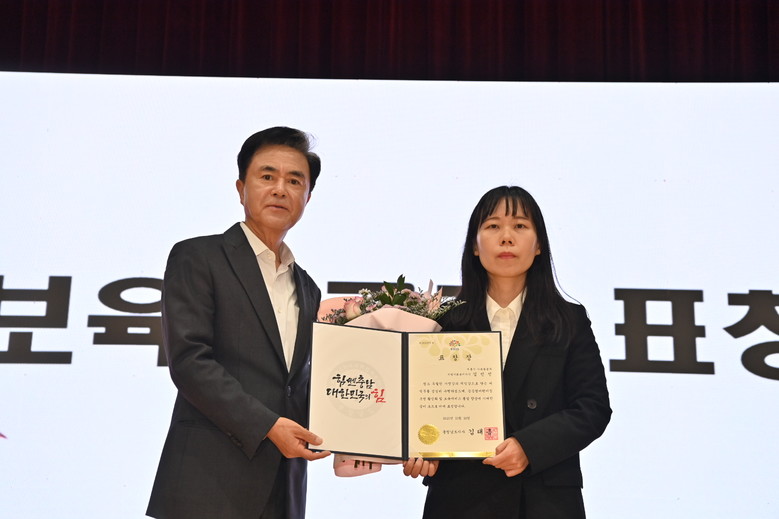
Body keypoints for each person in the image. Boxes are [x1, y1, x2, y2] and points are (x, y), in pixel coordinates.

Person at [147, 127, 330, 519]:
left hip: (283, 490)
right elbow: (190, 361)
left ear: (308, 197)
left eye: (294, 181)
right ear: (241, 188)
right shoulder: (199, 257)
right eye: (267, 176)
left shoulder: (308, 288)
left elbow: (297, 387)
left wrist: (368, 436)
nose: (280, 189)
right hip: (206, 487)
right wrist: (268, 426)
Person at [404, 185, 611, 518]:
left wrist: (529, 446)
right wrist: (420, 448)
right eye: (492, 226)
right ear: (474, 245)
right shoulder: (443, 320)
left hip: (544, 501)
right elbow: (420, 406)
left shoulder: (568, 320)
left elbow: (592, 407)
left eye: (520, 226)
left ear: (539, 244)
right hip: (460, 498)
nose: (506, 237)